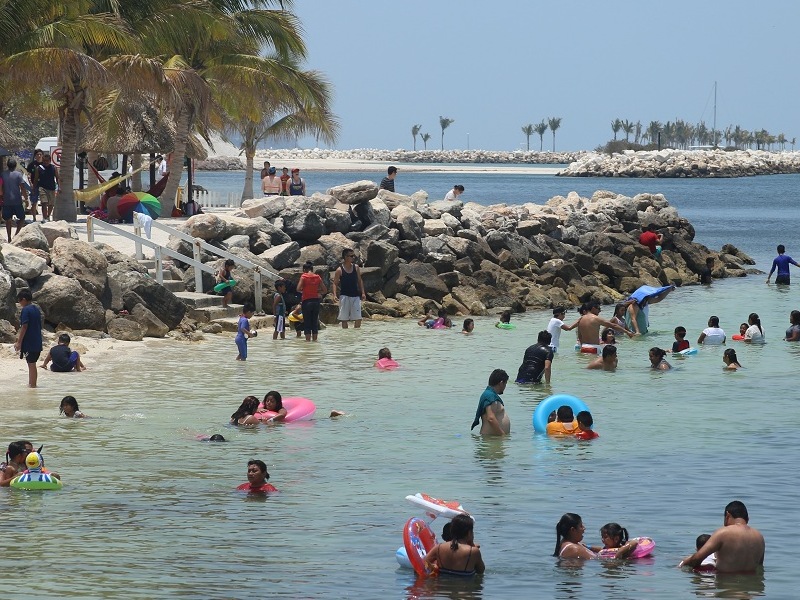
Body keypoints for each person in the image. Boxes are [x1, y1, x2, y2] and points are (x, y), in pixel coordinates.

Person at [679, 500, 764, 574]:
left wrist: (683, 564)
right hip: (750, 589)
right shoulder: (759, 537)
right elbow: (760, 567)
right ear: (747, 519)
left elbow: (697, 559)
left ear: (727, 515)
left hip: (727, 586)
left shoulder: (723, 533)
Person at [14, 289, 42, 388]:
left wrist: (19, 342)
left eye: (20, 300)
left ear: (24, 299)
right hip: (37, 342)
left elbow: (24, 326)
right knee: (32, 364)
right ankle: (32, 384)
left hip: (30, 343)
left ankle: (32, 386)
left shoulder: (26, 310)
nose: (19, 303)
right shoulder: (36, 309)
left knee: (31, 364)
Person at [332, 249, 366, 329]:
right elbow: (335, 283)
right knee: (344, 319)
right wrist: (334, 295)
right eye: (351, 256)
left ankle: (356, 335)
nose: (353, 257)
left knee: (358, 318)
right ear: (345, 257)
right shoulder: (339, 270)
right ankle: (346, 337)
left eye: (353, 255)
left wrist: (363, 293)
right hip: (344, 296)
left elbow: (359, 280)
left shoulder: (356, 267)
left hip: (355, 296)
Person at [471, 369, 510, 436]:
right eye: (505, 384)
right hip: (491, 439)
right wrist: (502, 435)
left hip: (493, 438)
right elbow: (491, 418)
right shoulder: (490, 396)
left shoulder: (490, 395)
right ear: (501, 383)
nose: (505, 387)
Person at [296, 261, 327, 342]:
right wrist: (317, 291)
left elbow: (298, 289)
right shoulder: (317, 277)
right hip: (316, 302)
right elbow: (325, 290)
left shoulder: (304, 276)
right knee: (314, 323)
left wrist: (305, 290)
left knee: (307, 323)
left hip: (307, 302)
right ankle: (315, 341)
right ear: (312, 269)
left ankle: (308, 342)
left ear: (304, 269)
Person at [2, 158, 30, 242]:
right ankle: (16, 234)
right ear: (15, 166)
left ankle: (9, 237)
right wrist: (26, 198)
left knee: (8, 220)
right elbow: (22, 187)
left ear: (7, 165)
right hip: (16, 200)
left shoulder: (3, 174)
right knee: (22, 218)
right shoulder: (18, 175)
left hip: (6, 200)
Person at [37, 152, 59, 222]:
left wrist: (59, 187)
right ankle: (44, 217)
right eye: (44, 161)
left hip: (51, 188)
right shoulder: (39, 168)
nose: (46, 162)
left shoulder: (53, 168)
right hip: (42, 188)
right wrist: (34, 187)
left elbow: (57, 178)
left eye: (47, 161)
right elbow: (36, 179)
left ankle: (48, 216)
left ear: (50, 161)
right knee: (44, 202)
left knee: (51, 204)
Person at [25, 149, 43, 222]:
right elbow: (28, 175)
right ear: (35, 156)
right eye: (37, 154)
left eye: (40, 154)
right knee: (34, 202)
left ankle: (45, 217)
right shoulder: (31, 165)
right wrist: (31, 184)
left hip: (43, 186)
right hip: (34, 186)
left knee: (44, 203)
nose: (39, 156)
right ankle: (34, 218)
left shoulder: (45, 164)